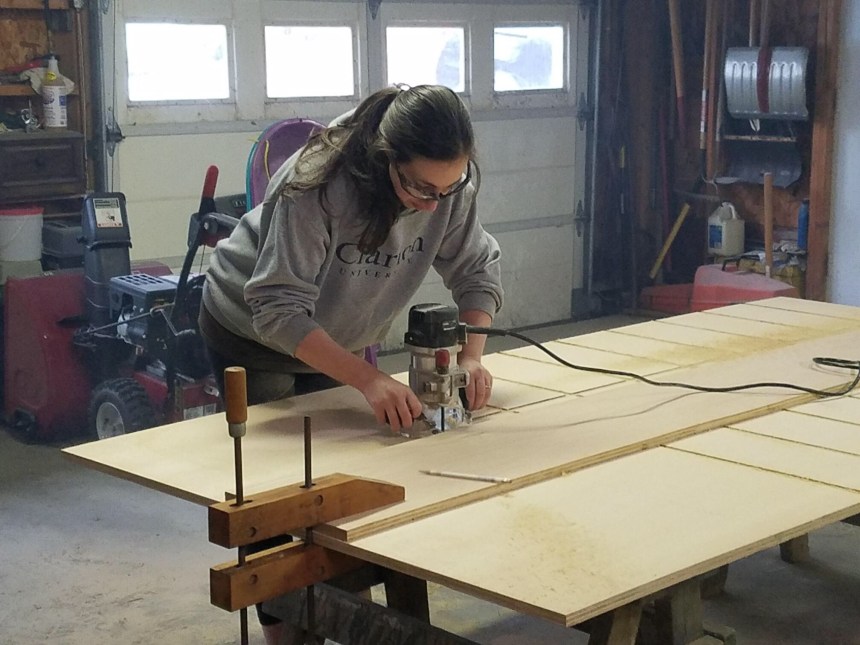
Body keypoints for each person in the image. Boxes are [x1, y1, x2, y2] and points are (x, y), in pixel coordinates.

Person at [198, 84, 503, 643]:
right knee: (275, 497)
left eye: (447, 188)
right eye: (420, 187)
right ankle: (288, 633)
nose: (433, 204)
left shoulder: (447, 186)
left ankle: (344, 609)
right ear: (386, 158)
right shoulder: (317, 183)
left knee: (344, 480)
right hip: (252, 328)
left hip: (333, 330)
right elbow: (277, 308)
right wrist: (368, 378)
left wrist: (472, 356)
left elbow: (476, 268)